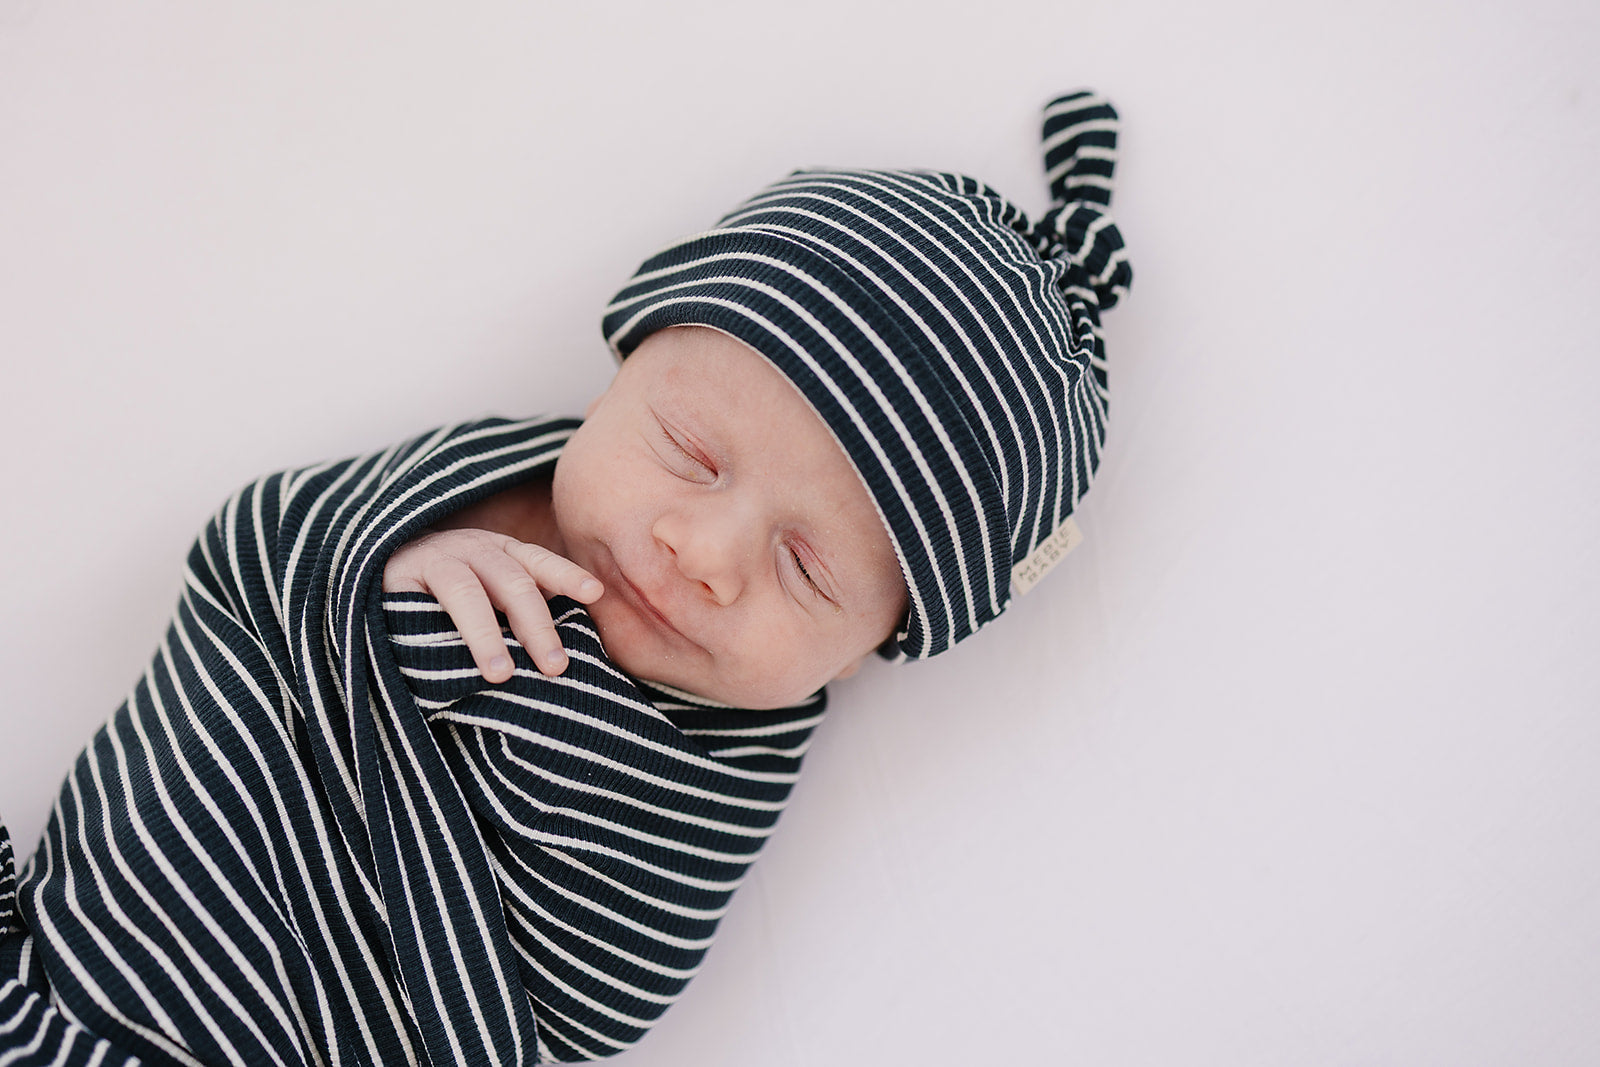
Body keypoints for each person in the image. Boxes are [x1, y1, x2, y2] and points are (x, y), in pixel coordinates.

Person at [0, 90, 1132, 1065]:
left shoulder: (712, 776)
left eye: (804, 567)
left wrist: (438, 662)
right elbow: (257, 548)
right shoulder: (469, 479)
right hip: (52, 939)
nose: (705, 549)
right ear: (625, 361)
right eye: (690, 450)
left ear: (875, 644)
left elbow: (580, 1003)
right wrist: (390, 572)